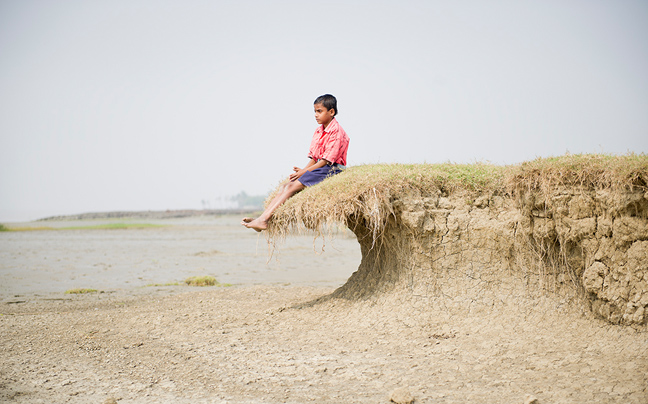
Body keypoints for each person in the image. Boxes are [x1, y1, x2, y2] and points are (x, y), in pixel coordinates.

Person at [242, 94, 349, 232]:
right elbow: (314, 158)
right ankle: (262, 217)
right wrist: (302, 171)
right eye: (315, 111)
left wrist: (305, 172)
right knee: (286, 186)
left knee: (291, 187)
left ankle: (263, 220)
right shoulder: (318, 131)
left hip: (332, 169)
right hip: (321, 167)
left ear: (331, 112)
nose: (316, 115)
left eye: (319, 111)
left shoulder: (337, 132)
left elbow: (326, 161)